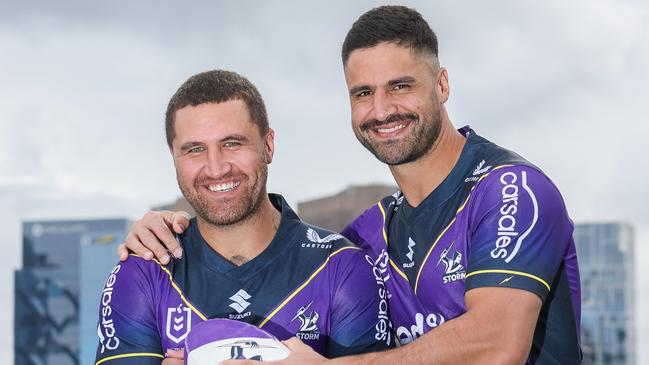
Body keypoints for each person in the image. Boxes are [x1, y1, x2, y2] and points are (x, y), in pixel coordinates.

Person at [120, 6, 582, 364]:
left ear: (441, 84)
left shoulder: (512, 192)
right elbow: (274, 249)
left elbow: (497, 348)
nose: (381, 110)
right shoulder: (368, 235)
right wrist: (173, 224)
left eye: (400, 86)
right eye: (363, 93)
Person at [95, 70, 392, 365]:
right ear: (174, 158)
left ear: (268, 145)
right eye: (195, 149)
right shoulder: (143, 273)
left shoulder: (343, 269)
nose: (216, 168)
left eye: (232, 143)